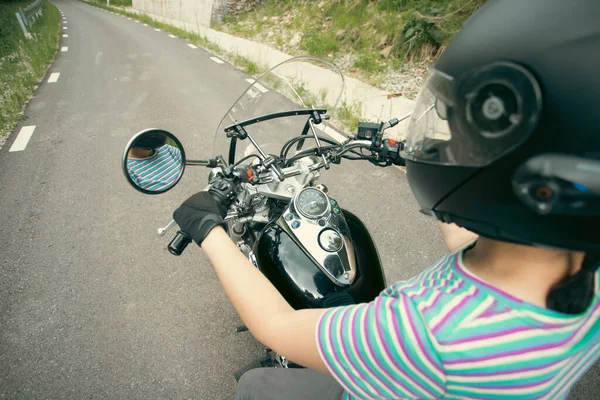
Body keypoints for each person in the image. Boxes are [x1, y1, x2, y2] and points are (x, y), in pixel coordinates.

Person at [173, 0, 600, 398]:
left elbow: (274, 324)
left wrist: (207, 229)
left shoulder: (427, 334)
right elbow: (463, 236)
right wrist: (406, 149)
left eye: (456, 129)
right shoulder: (584, 277)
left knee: (256, 384)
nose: (444, 136)